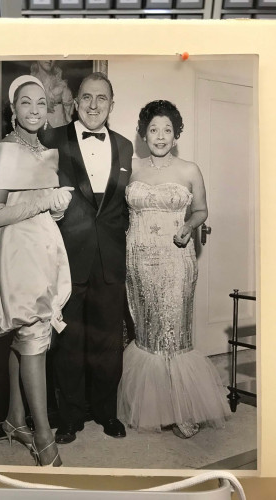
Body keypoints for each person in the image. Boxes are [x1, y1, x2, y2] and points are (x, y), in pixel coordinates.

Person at [117, 100, 230, 438]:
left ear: (176, 133)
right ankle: (155, 406)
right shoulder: (131, 168)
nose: (160, 136)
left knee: (175, 331)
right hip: (136, 261)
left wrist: (188, 226)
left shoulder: (189, 169)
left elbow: (201, 211)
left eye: (167, 130)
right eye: (154, 129)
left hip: (175, 259)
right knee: (148, 330)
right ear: (144, 133)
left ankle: (182, 410)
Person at [40, 72, 133, 444]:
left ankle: (106, 413)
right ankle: (70, 417)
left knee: (108, 341)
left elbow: (123, 206)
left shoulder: (125, 147)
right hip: (67, 257)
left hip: (111, 259)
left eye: (103, 99)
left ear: (112, 105)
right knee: (69, 341)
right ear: (75, 102)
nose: (94, 105)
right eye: (87, 98)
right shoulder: (52, 140)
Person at [0, 75, 74, 466]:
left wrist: (58, 205)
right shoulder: (5, 150)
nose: (35, 110)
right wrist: (42, 202)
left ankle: (15, 420)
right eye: (26, 103)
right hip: (18, 252)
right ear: (13, 109)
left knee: (28, 335)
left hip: (45, 249)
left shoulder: (45, 150)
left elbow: (51, 210)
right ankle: (43, 437)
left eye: (41, 103)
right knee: (34, 335)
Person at [31, 60, 74, 128]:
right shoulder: (30, 83)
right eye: (46, 54)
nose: (49, 59)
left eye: (53, 56)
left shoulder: (61, 84)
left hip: (58, 128)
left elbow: (68, 112)